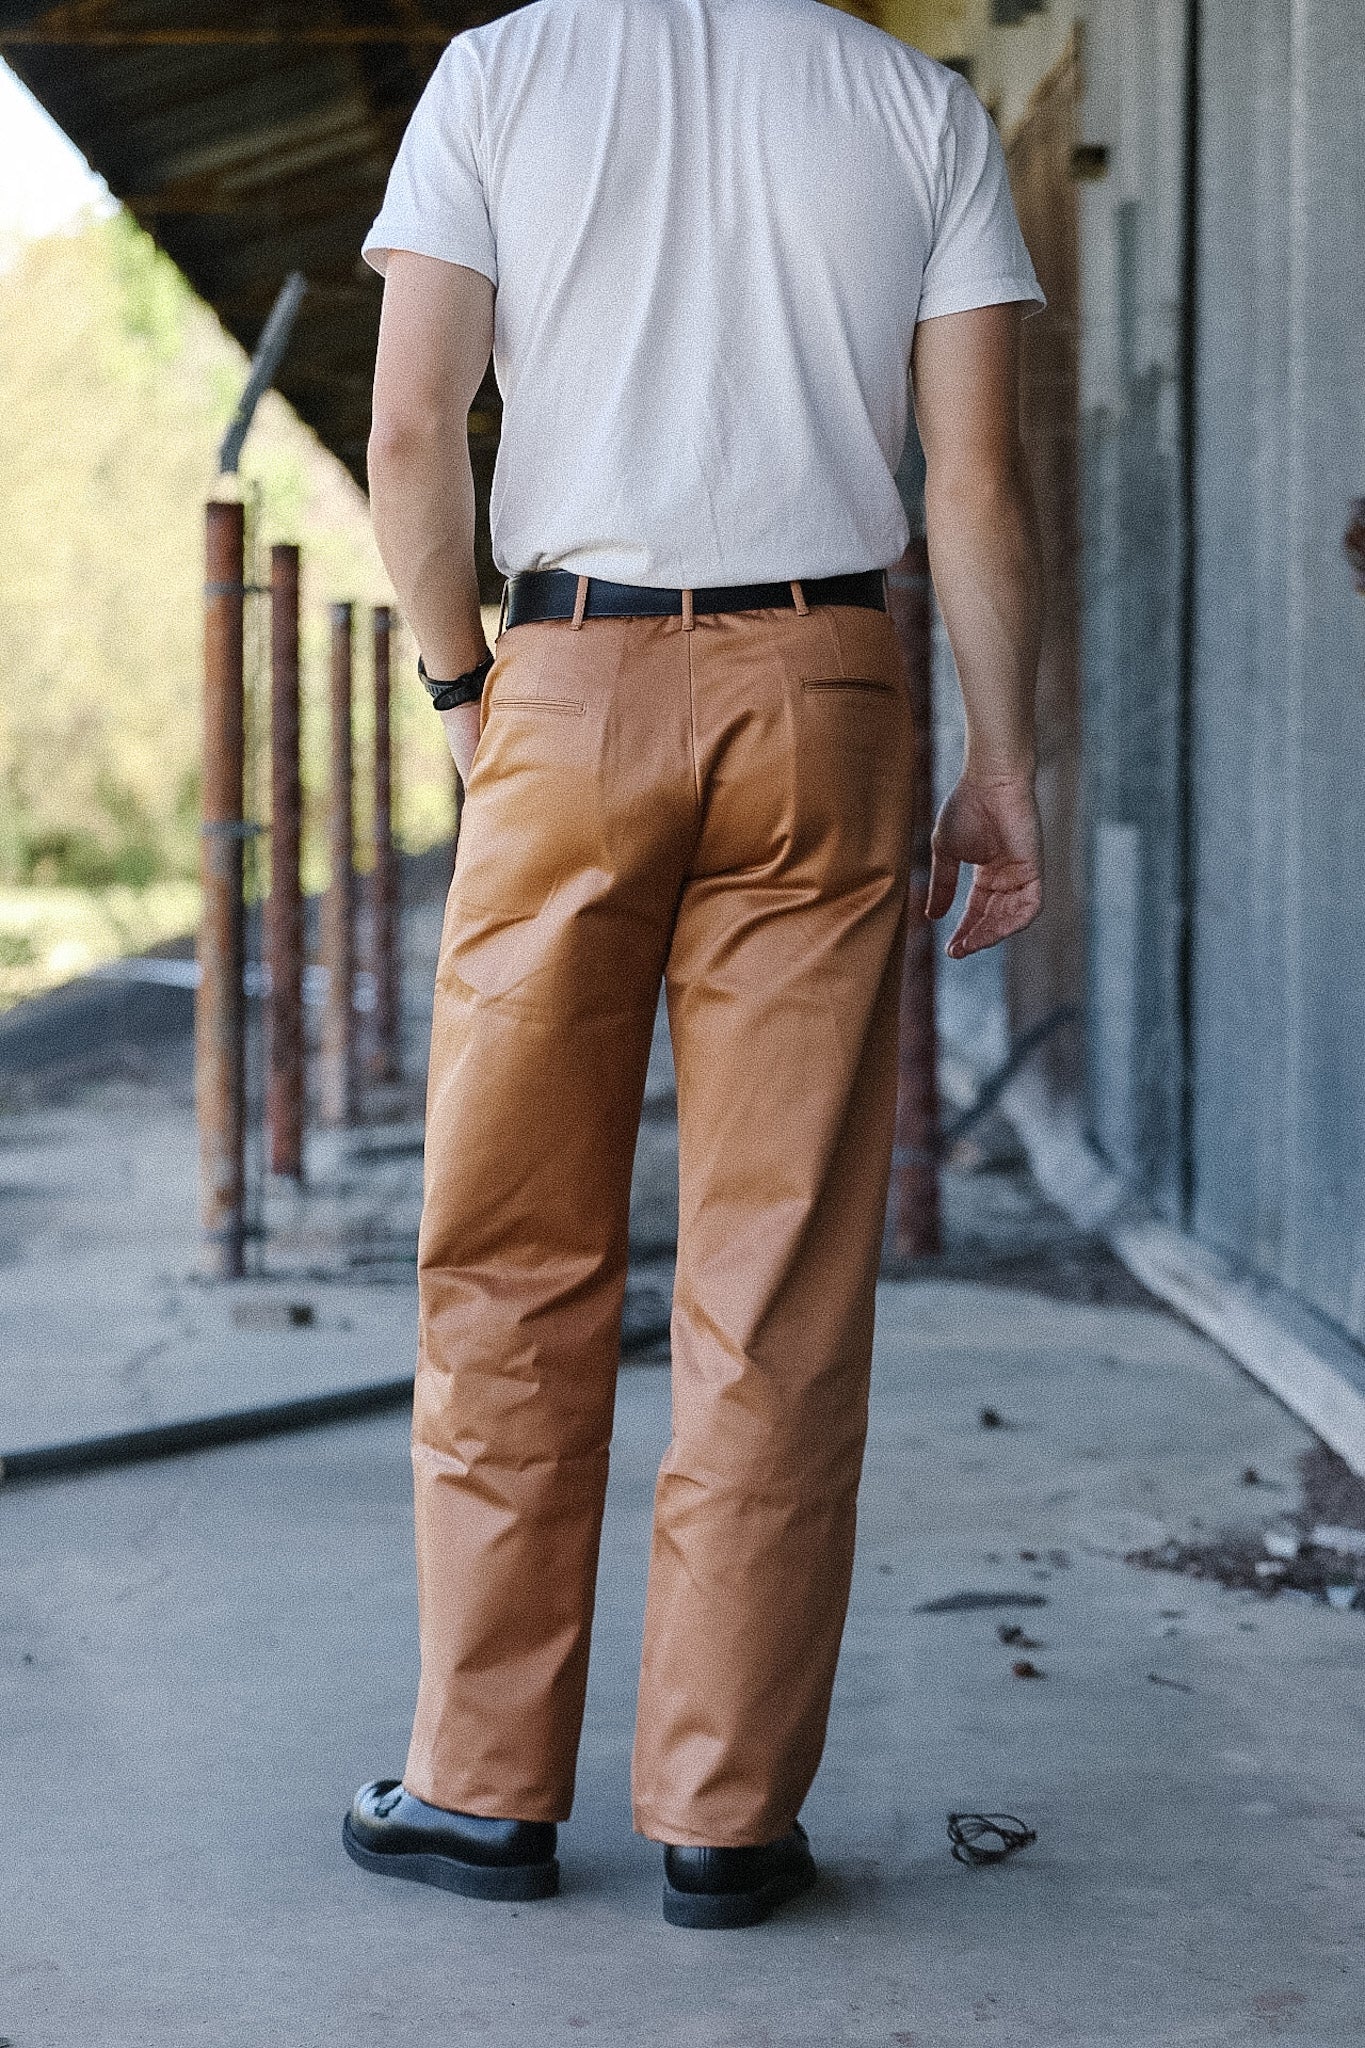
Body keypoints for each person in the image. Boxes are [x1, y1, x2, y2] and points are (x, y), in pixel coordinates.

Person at [343, 0, 1044, 1929]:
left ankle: (482, 1793)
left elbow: (413, 428)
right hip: (824, 689)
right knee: (777, 1275)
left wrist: (465, 689)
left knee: (507, 1252)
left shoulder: (501, 73)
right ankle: (723, 1819)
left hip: (566, 676)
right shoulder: (917, 105)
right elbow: (973, 480)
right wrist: (1007, 767)